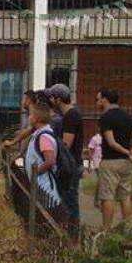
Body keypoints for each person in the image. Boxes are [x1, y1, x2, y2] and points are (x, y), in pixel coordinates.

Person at [95, 88, 132, 230]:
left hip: (111, 161)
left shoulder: (106, 118)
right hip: (127, 163)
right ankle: (128, 228)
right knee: (125, 195)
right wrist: (131, 152)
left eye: (98, 99)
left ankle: (106, 229)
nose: (97, 102)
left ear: (105, 99)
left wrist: (126, 152)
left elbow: (111, 142)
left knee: (107, 196)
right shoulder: (127, 116)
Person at [47, 83, 84, 229]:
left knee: (70, 201)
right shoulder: (69, 114)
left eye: (52, 98)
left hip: (71, 165)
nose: (50, 101)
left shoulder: (71, 116)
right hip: (71, 164)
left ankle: (73, 231)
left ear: (58, 100)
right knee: (68, 199)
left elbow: (66, 144)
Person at [25, 102, 63, 207]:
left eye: (30, 114)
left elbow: (50, 161)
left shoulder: (44, 137)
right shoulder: (38, 133)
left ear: (36, 118)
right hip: (39, 186)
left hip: (45, 189)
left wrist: (35, 172)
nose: (28, 117)